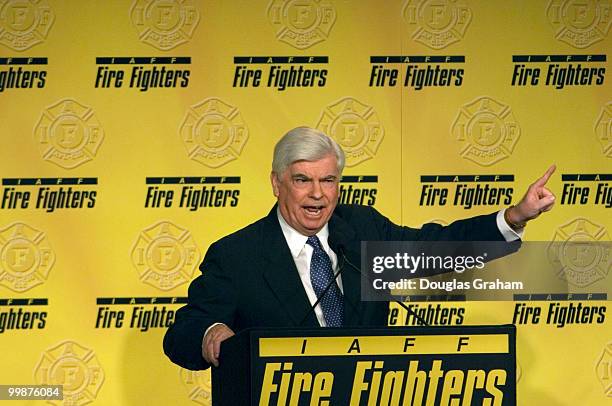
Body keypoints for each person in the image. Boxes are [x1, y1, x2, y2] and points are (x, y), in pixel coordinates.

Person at [163, 127, 555, 370]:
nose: (318, 194)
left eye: (329, 180)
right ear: (276, 182)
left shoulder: (361, 229)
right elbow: (183, 332)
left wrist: (513, 217)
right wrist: (210, 333)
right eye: (303, 180)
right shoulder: (237, 255)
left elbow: (433, 247)